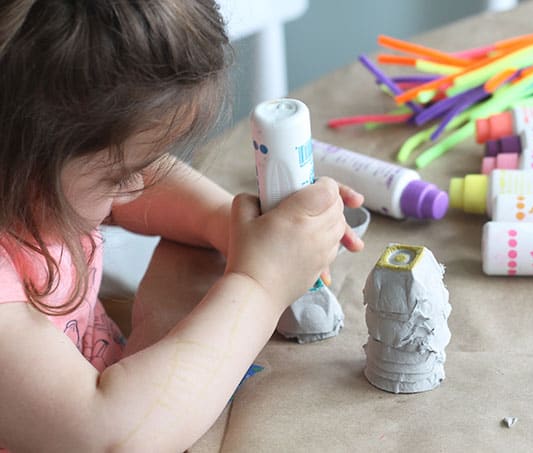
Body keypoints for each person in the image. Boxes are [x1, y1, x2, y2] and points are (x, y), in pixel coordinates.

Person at [0, 1, 364, 451]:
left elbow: (137, 180)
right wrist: (261, 283)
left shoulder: (37, 178)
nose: (134, 189)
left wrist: (233, 227)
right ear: (20, 160)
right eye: (117, 178)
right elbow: (106, 435)